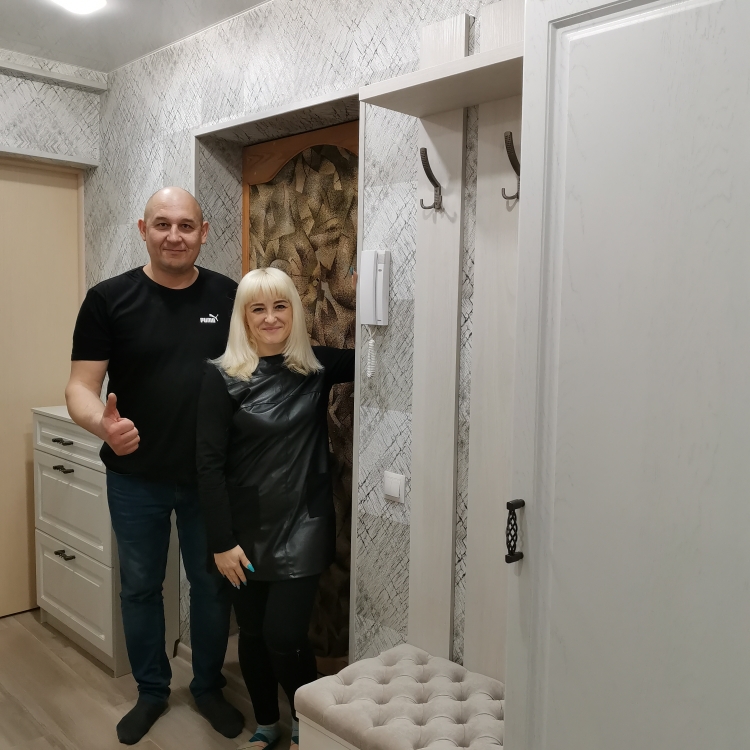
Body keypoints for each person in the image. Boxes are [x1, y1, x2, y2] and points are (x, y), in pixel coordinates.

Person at [65, 187, 243, 745]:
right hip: (135, 477)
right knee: (141, 586)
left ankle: (208, 686)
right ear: (143, 229)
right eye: (162, 224)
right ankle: (152, 690)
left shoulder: (229, 295)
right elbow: (80, 387)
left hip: (209, 479)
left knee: (211, 586)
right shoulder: (108, 299)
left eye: (186, 225)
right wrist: (102, 426)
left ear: (203, 232)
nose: (174, 236)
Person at [196, 266, 356, 750]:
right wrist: (222, 542)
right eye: (258, 309)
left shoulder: (316, 366)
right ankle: (267, 723)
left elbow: (382, 355)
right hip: (243, 531)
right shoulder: (221, 377)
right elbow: (207, 466)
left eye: (280, 306)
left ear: (294, 312)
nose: (270, 318)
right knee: (251, 633)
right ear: (243, 318)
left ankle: (307, 721)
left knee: (284, 636)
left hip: (304, 525)